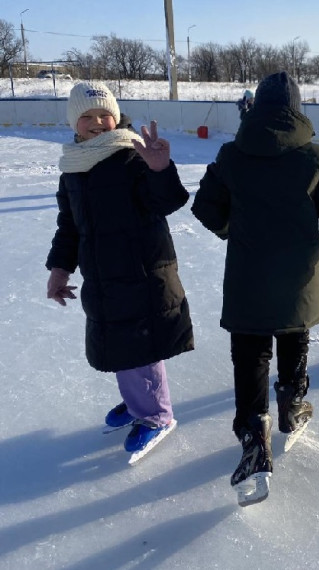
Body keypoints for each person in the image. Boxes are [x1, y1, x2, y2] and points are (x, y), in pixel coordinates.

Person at [191, 71, 319, 505]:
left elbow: (206, 207)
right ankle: (291, 406)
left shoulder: (232, 155)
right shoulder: (314, 157)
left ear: (256, 109)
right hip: (298, 276)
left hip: (248, 275)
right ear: (298, 109)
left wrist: (235, 228)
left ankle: (253, 437)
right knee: (293, 338)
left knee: (249, 354)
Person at [45, 81, 194, 458]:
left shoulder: (131, 155)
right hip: (104, 274)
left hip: (142, 270)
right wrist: (60, 269)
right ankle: (137, 401)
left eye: (104, 114)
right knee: (122, 344)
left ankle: (157, 414)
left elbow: (166, 201)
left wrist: (161, 169)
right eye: (87, 116)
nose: (98, 122)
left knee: (141, 346)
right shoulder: (73, 169)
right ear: (73, 123)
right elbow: (69, 226)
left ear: (116, 116)